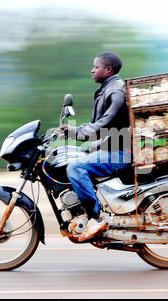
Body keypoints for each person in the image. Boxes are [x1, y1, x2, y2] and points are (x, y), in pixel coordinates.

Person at [59, 51, 132, 242]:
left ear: (108, 70)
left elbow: (106, 123)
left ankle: (95, 217)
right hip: (111, 146)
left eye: (96, 67)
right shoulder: (106, 89)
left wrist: (77, 132)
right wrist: (74, 131)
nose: (92, 70)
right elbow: (99, 125)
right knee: (74, 154)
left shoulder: (116, 91)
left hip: (119, 152)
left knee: (75, 167)